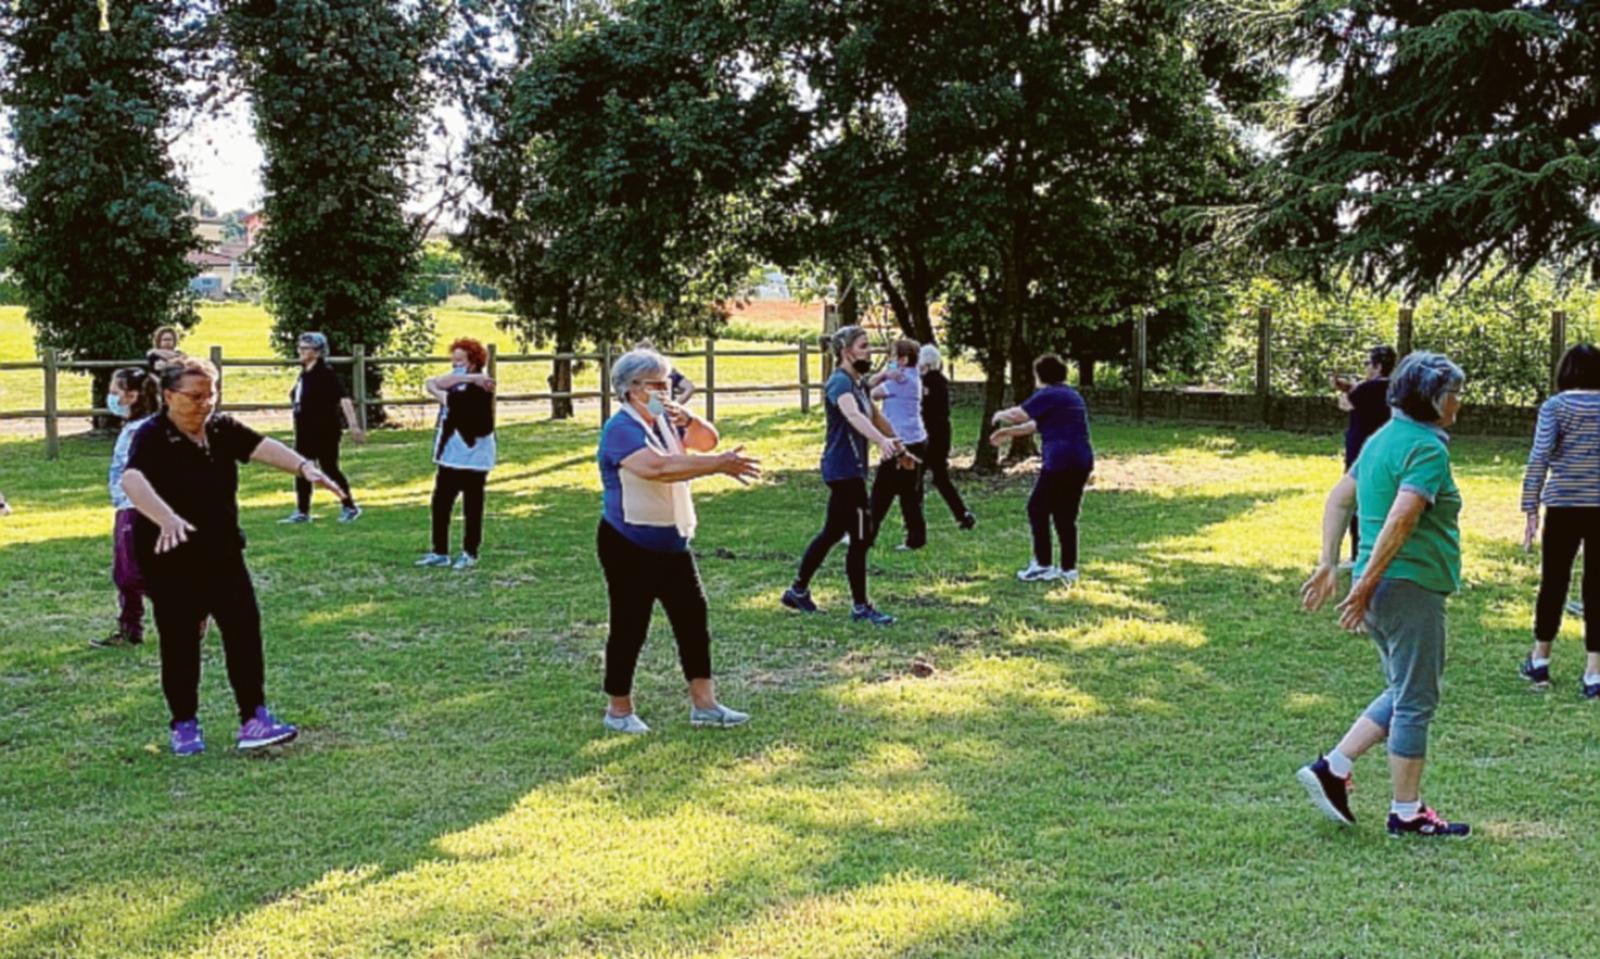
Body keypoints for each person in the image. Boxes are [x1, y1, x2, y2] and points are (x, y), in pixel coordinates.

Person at [120, 357, 343, 755]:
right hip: (169, 555)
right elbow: (133, 480)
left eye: (211, 394)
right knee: (181, 640)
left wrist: (304, 467)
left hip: (222, 550)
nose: (205, 403)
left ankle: (254, 719)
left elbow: (261, 446)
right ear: (169, 396)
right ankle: (184, 724)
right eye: (194, 396)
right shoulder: (152, 435)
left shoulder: (221, 429)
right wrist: (167, 518)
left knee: (243, 630)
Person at [1297, 351, 1471, 838]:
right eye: (1455, 393)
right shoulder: (1427, 449)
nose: (1459, 402)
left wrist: (1332, 563)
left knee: (1404, 688)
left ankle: (1334, 765)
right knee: (1416, 700)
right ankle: (1407, 812)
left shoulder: (1382, 440)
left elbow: (1338, 497)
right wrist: (1366, 580)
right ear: (1434, 400)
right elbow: (1402, 517)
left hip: (1382, 588)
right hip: (1407, 586)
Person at [595, 348, 761, 733]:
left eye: (667, 382)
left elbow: (706, 440)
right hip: (627, 541)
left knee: (692, 620)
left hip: (672, 541)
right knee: (629, 625)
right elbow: (660, 468)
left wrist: (690, 418)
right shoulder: (621, 428)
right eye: (655, 384)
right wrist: (718, 464)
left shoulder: (667, 421)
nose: (664, 390)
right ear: (630, 389)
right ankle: (618, 710)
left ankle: (705, 706)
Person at [782, 326, 905, 625]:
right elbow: (853, 416)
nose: (869, 352)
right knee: (861, 536)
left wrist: (899, 443)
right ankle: (861, 607)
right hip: (843, 471)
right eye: (863, 346)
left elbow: (875, 416)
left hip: (851, 472)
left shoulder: (859, 383)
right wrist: (881, 442)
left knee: (833, 533)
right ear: (846, 351)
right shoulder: (839, 383)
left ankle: (797, 591)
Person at [1518, 343, 1600, 698]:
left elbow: (1540, 456)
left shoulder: (1556, 406)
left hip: (1564, 504)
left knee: (1554, 581)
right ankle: (1594, 672)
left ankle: (1540, 661)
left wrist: (1530, 505)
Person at [989, 354, 1094, 584]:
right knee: (1066, 514)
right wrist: (1008, 433)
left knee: (1037, 508)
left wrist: (1000, 416)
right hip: (1081, 460)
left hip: (1060, 461)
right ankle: (1068, 569)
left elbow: (1020, 414)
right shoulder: (1070, 395)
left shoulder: (1049, 394)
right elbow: (1035, 425)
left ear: (1041, 375)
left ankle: (1043, 565)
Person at [93, 367, 161, 649]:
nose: (111, 398)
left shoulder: (145, 430)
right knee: (124, 572)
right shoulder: (131, 428)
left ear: (132, 396)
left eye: (115, 392)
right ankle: (130, 629)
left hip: (138, 506)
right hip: (125, 504)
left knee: (132, 573)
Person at [416, 338, 497, 571]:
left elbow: (440, 392)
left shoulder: (481, 388)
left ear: (473, 361)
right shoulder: (461, 381)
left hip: (473, 454)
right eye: (453, 361)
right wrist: (466, 377)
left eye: (460, 361)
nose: (455, 365)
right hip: (450, 454)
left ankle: (470, 552)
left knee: (472, 505)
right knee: (440, 503)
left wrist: (470, 381)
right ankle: (439, 551)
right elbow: (433, 381)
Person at [280, 332, 365, 524]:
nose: (300, 351)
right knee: (301, 468)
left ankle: (349, 506)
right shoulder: (305, 374)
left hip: (324, 429)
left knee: (329, 468)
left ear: (317, 352)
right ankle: (302, 511)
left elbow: (343, 398)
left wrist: (354, 425)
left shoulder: (325, 374)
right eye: (300, 347)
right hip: (304, 430)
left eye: (305, 348)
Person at [1331, 345, 1398, 566]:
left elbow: (1346, 404)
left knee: (1355, 503)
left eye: (1368, 364)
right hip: (1387, 453)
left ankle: (1357, 554)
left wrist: (1345, 390)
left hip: (1359, 453)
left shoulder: (1365, 390)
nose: (1365, 368)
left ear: (1378, 366)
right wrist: (1353, 387)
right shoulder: (1396, 389)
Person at [868, 338, 929, 550]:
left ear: (903, 360)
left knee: (881, 493)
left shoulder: (899, 381)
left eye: (894, 357)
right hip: (916, 439)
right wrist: (889, 371)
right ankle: (916, 539)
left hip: (900, 442)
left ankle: (866, 534)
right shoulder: (914, 376)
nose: (891, 361)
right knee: (910, 494)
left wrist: (885, 374)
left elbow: (870, 392)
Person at [918, 344, 976, 532]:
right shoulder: (940, 381)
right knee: (940, 478)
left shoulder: (928, 382)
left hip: (930, 435)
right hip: (942, 435)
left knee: (915, 477)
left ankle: (914, 520)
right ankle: (963, 514)